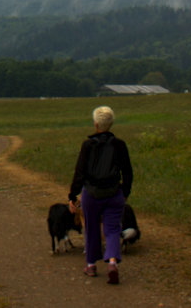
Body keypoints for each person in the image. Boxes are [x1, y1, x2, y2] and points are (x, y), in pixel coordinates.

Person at [68, 106, 133, 285]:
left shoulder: (88, 145)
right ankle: (112, 261)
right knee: (112, 228)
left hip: (92, 193)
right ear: (111, 123)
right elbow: (127, 171)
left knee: (92, 228)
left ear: (96, 124)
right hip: (114, 192)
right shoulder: (119, 145)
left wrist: (72, 195)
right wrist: (125, 192)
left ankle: (91, 265)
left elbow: (79, 172)